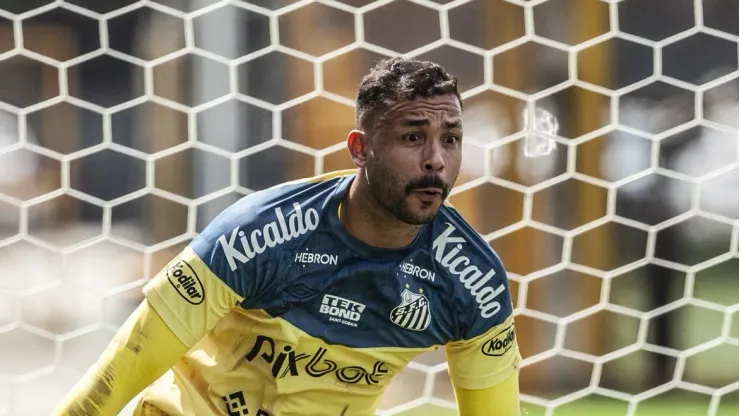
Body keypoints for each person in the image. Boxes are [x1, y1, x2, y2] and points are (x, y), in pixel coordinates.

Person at [53, 57, 521, 416]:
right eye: (413, 138)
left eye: (452, 139)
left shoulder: (472, 282)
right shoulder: (260, 231)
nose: (436, 160)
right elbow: (120, 370)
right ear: (360, 149)